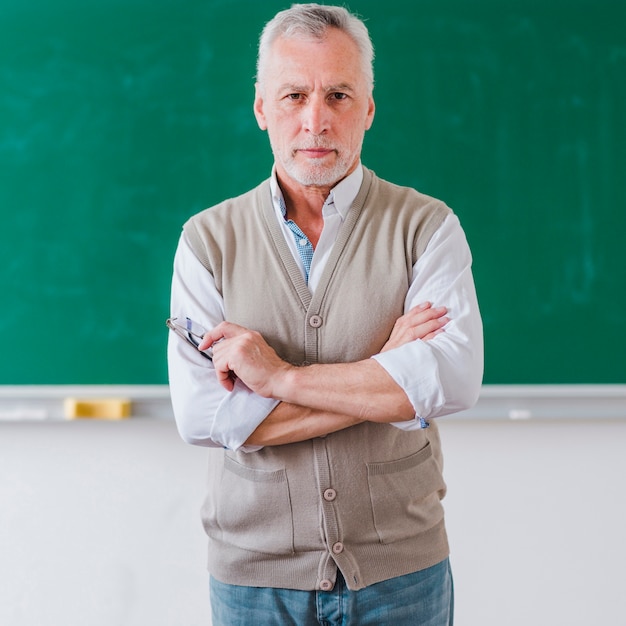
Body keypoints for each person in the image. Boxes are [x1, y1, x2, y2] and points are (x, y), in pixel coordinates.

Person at [167, 4, 483, 625]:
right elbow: (205, 416)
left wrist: (280, 380)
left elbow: (451, 380)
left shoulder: (427, 227)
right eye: (293, 95)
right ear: (261, 109)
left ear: (367, 110)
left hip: (401, 570)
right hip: (255, 575)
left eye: (339, 95)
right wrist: (388, 373)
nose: (316, 120)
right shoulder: (207, 241)